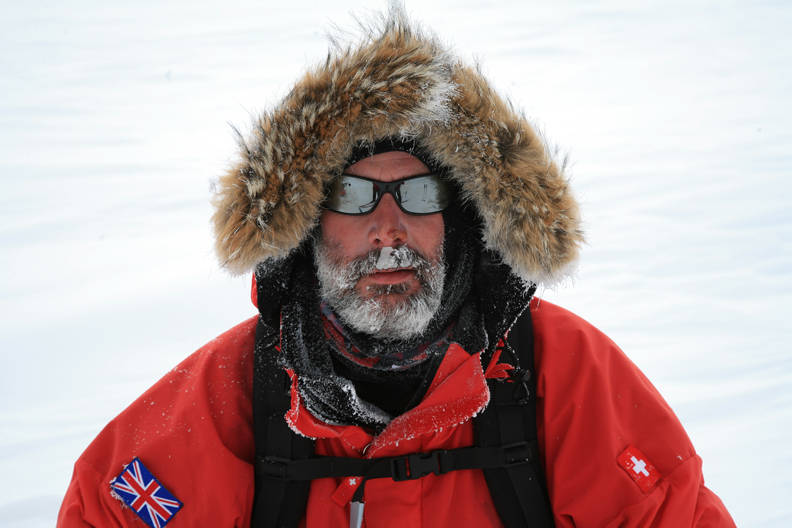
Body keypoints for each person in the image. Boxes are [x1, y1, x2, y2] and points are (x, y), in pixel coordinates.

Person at [57, 5, 736, 528]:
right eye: (352, 196)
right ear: (306, 226)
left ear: (463, 221)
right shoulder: (236, 392)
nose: (389, 230)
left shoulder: (564, 372)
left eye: (419, 193)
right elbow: (107, 506)